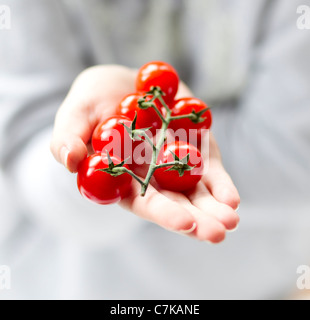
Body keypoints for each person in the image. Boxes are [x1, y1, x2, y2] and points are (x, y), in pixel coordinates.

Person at [0, 0, 309, 299]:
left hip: (255, 285)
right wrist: (91, 150)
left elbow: (295, 156)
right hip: (63, 287)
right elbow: (26, 151)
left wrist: (142, 151)